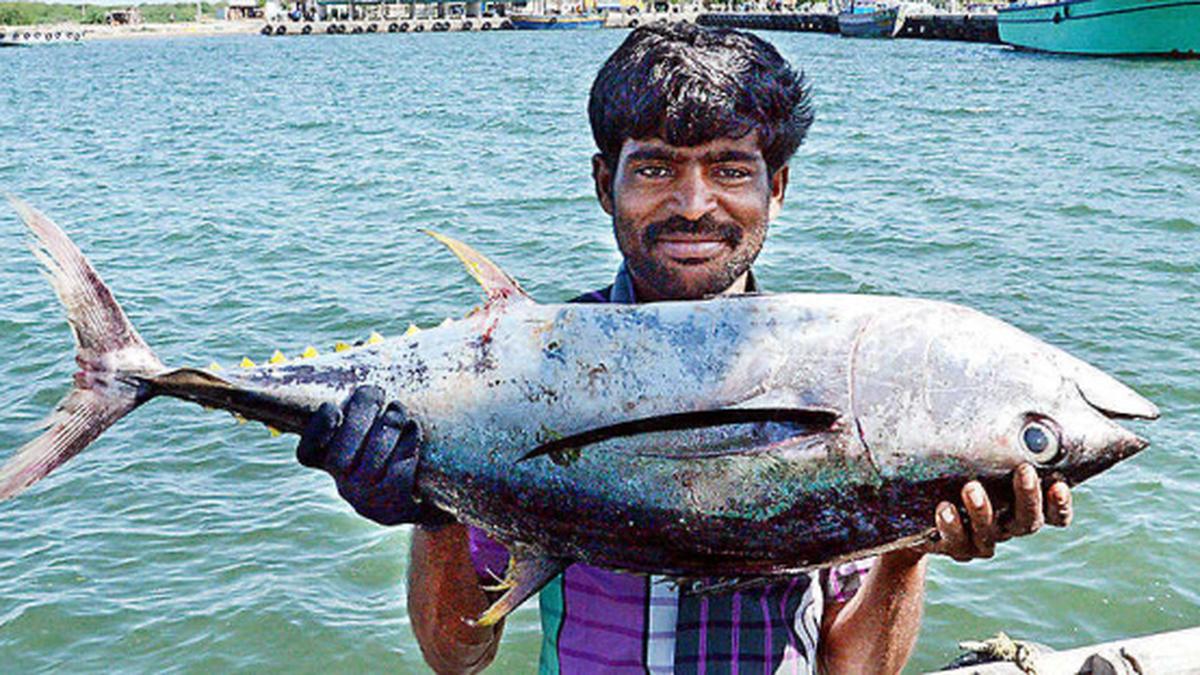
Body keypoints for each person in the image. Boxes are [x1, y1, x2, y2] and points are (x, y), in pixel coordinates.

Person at [295, 23, 1074, 674]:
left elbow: (849, 669)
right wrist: (430, 509)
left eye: (731, 168)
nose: (694, 204)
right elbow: (457, 656)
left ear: (779, 186)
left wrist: (908, 544)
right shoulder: (530, 369)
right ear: (607, 185)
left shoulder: (835, 371)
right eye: (657, 168)